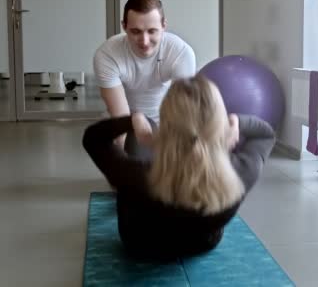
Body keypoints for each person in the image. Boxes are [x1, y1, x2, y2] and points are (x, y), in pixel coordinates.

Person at [82, 74, 276, 260]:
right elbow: (266, 134)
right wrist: (236, 123)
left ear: (167, 123)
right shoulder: (242, 171)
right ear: (219, 122)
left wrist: (133, 120)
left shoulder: (133, 173)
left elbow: (93, 138)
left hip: (139, 245)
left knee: (146, 124)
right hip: (202, 245)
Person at [93, 0, 196, 151]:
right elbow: (121, 116)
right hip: (126, 125)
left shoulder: (181, 53)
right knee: (132, 158)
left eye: (152, 31)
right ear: (124, 26)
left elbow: (182, 110)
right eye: (136, 31)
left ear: (164, 26)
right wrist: (123, 159)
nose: (144, 41)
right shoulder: (107, 54)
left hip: (167, 124)